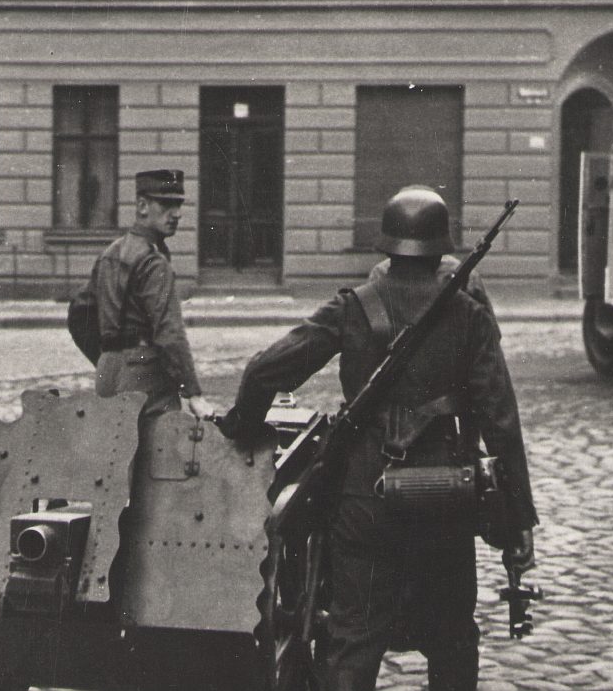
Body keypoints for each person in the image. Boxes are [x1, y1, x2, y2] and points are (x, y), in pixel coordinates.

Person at [220, 185, 536, 691]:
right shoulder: (470, 315)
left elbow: (263, 372)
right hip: (447, 496)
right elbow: (502, 421)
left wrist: (243, 426)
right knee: (453, 638)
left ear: (385, 246)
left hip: (366, 496)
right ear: (441, 247)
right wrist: (519, 522)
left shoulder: (353, 308)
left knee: (353, 640)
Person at [91, 168, 216, 420]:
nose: (177, 214)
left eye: (178, 205)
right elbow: (170, 335)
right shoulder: (154, 263)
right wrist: (194, 394)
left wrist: (110, 356)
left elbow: (80, 314)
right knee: (161, 455)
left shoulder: (109, 254)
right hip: (147, 379)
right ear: (142, 206)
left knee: (114, 455)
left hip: (106, 374)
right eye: (167, 204)